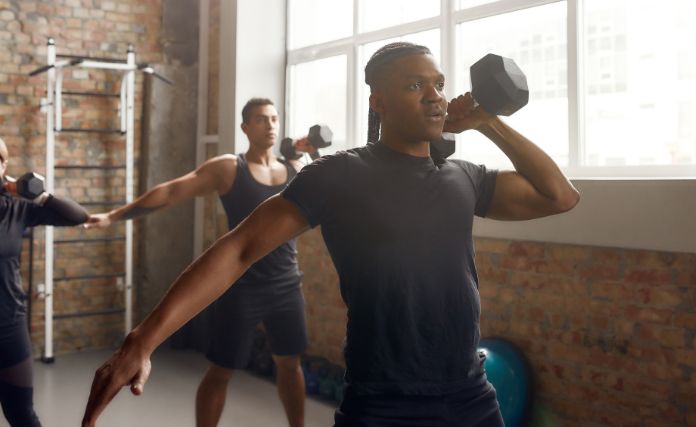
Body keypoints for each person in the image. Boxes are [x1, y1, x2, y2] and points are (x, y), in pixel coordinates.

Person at [82, 42, 579, 427]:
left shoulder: (466, 177)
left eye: (439, 85)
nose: (435, 96)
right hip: (382, 404)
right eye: (415, 86)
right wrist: (141, 341)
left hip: (470, 396)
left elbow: (560, 196)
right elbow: (239, 250)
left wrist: (488, 123)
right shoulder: (340, 175)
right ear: (378, 101)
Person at [84, 98, 314, 427]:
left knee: (290, 364)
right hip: (240, 286)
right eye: (262, 119)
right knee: (222, 370)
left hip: (286, 283)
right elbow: (170, 192)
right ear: (245, 127)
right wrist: (113, 215)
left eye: (275, 119)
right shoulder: (228, 168)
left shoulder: (295, 170)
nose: (271, 125)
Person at [0, 137, 90, 427]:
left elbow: (79, 216)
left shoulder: (16, 209)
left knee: (22, 414)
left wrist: (38, 194)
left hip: (9, 324)